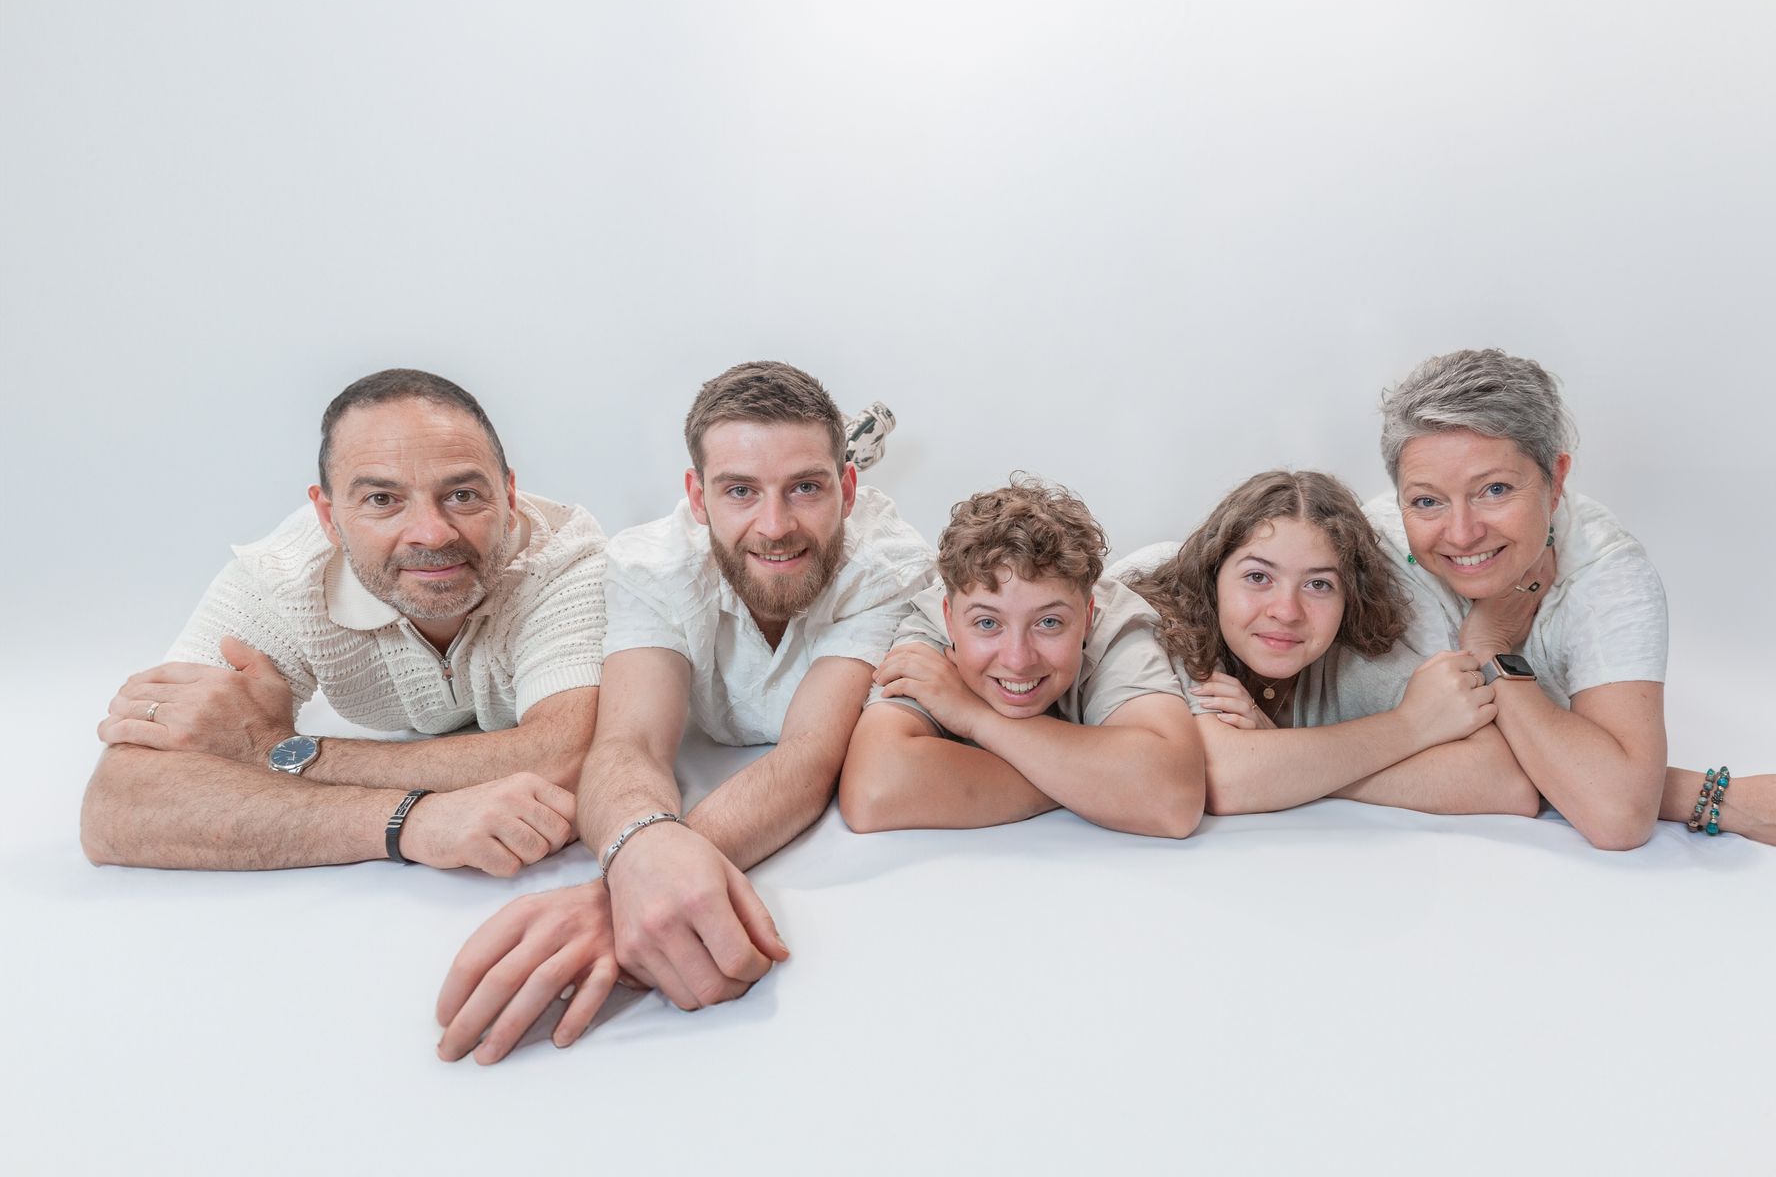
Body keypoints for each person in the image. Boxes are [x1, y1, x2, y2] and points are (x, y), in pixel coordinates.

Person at [433, 361, 934, 1065]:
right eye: (740, 491)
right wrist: (641, 856)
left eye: (807, 488)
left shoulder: (888, 566)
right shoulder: (649, 564)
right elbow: (630, 743)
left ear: (847, 488)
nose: (776, 525)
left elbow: (809, 753)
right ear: (697, 498)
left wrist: (613, 897)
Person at [80, 368, 606, 874]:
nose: (432, 533)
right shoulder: (277, 581)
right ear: (329, 518)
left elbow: (569, 755)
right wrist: (409, 822)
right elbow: (118, 807)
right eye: (382, 499)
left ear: (509, 497)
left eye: (463, 495)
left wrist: (267, 748)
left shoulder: (566, 560)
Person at [1363, 348, 1776, 851]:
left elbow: (1616, 815)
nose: (1462, 532)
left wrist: (1489, 645)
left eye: (1494, 489)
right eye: (1426, 501)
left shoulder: (1605, 572)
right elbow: (1492, 773)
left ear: (1556, 480)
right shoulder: (1366, 553)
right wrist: (1713, 797)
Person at [1123, 471, 1543, 819]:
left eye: (1319, 584)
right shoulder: (1169, 625)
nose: (1287, 611)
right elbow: (1222, 781)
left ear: (1349, 598)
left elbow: (1505, 785)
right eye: (1258, 577)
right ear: (1212, 574)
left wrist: (1283, 761)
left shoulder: (1346, 653)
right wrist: (1409, 726)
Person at [839, 478, 1206, 838]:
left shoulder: (1117, 622)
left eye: (1049, 622)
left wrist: (975, 717)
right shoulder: (930, 626)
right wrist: (1098, 785)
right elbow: (875, 790)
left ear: (1088, 616)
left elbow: (1172, 799)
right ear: (949, 618)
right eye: (987, 623)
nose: (1017, 659)